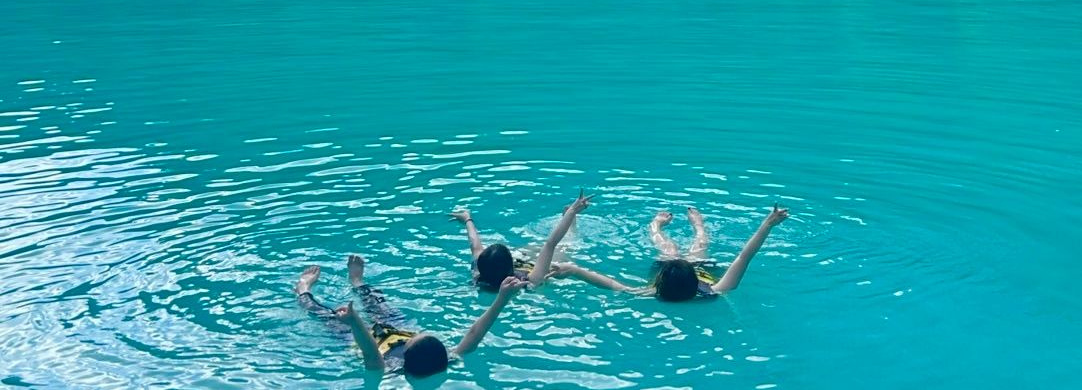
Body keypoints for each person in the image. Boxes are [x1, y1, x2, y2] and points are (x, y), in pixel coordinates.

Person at [294, 254, 526, 378]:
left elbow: (370, 351)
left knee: (323, 314)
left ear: (406, 354)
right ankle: (357, 282)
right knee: (378, 303)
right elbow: (475, 333)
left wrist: (354, 322)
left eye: (413, 339)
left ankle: (303, 288)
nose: (413, 336)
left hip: (366, 338)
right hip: (396, 327)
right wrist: (501, 299)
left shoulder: (387, 368)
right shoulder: (449, 359)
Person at [551, 205, 789, 301]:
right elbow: (744, 257)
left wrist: (574, 270)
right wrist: (767, 225)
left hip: (680, 273)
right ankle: (698, 225)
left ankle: (656, 226)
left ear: (660, 280)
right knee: (699, 245)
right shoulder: (714, 290)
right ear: (696, 281)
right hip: (696, 270)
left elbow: (612, 284)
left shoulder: (652, 292)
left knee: (669, 249)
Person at [451, 190, 592, 290]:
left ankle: (569, 220)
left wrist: (467, 219)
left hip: (526, 260)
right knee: (566, 245)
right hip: (525, 258)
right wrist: (572, 212)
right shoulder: (529, 282)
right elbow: (551, 244)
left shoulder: (477, 276)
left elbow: (475, 245)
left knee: (558, 246)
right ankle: (570, 224)